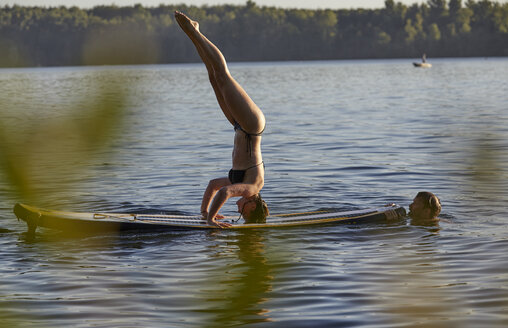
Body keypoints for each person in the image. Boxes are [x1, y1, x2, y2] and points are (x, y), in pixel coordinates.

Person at [175, 11, 269, 228]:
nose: (238, 210)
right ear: (252, 206)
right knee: (223, 76)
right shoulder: (252, 189)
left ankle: (192, 34)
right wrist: (210, 220)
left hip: (239, 126)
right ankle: (194, 31)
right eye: (243, 213)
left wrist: (205, 213)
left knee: (213, 76)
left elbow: (213, 186)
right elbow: (226, 192)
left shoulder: (241, 184)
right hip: (252, 125)